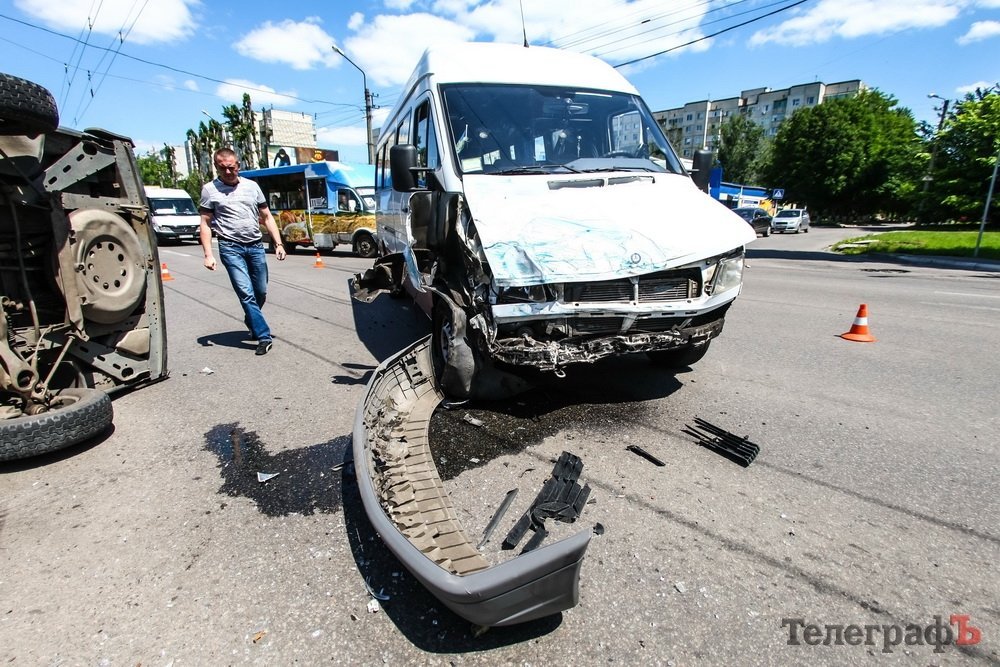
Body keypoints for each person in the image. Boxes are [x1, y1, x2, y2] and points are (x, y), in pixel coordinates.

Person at [199, 148, 286, 355]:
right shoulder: (209, 190)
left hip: (255, 246)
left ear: (238, 165)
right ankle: (263, 336)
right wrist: (208, 254)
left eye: (231, 167)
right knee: (246, 293)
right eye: (223, 168)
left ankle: (251, 319)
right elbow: (205, 223)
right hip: (230, 247)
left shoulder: (252, 187)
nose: (228, 172)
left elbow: (267, 216)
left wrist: (278, 243)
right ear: (217, 167)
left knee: (260, 292)